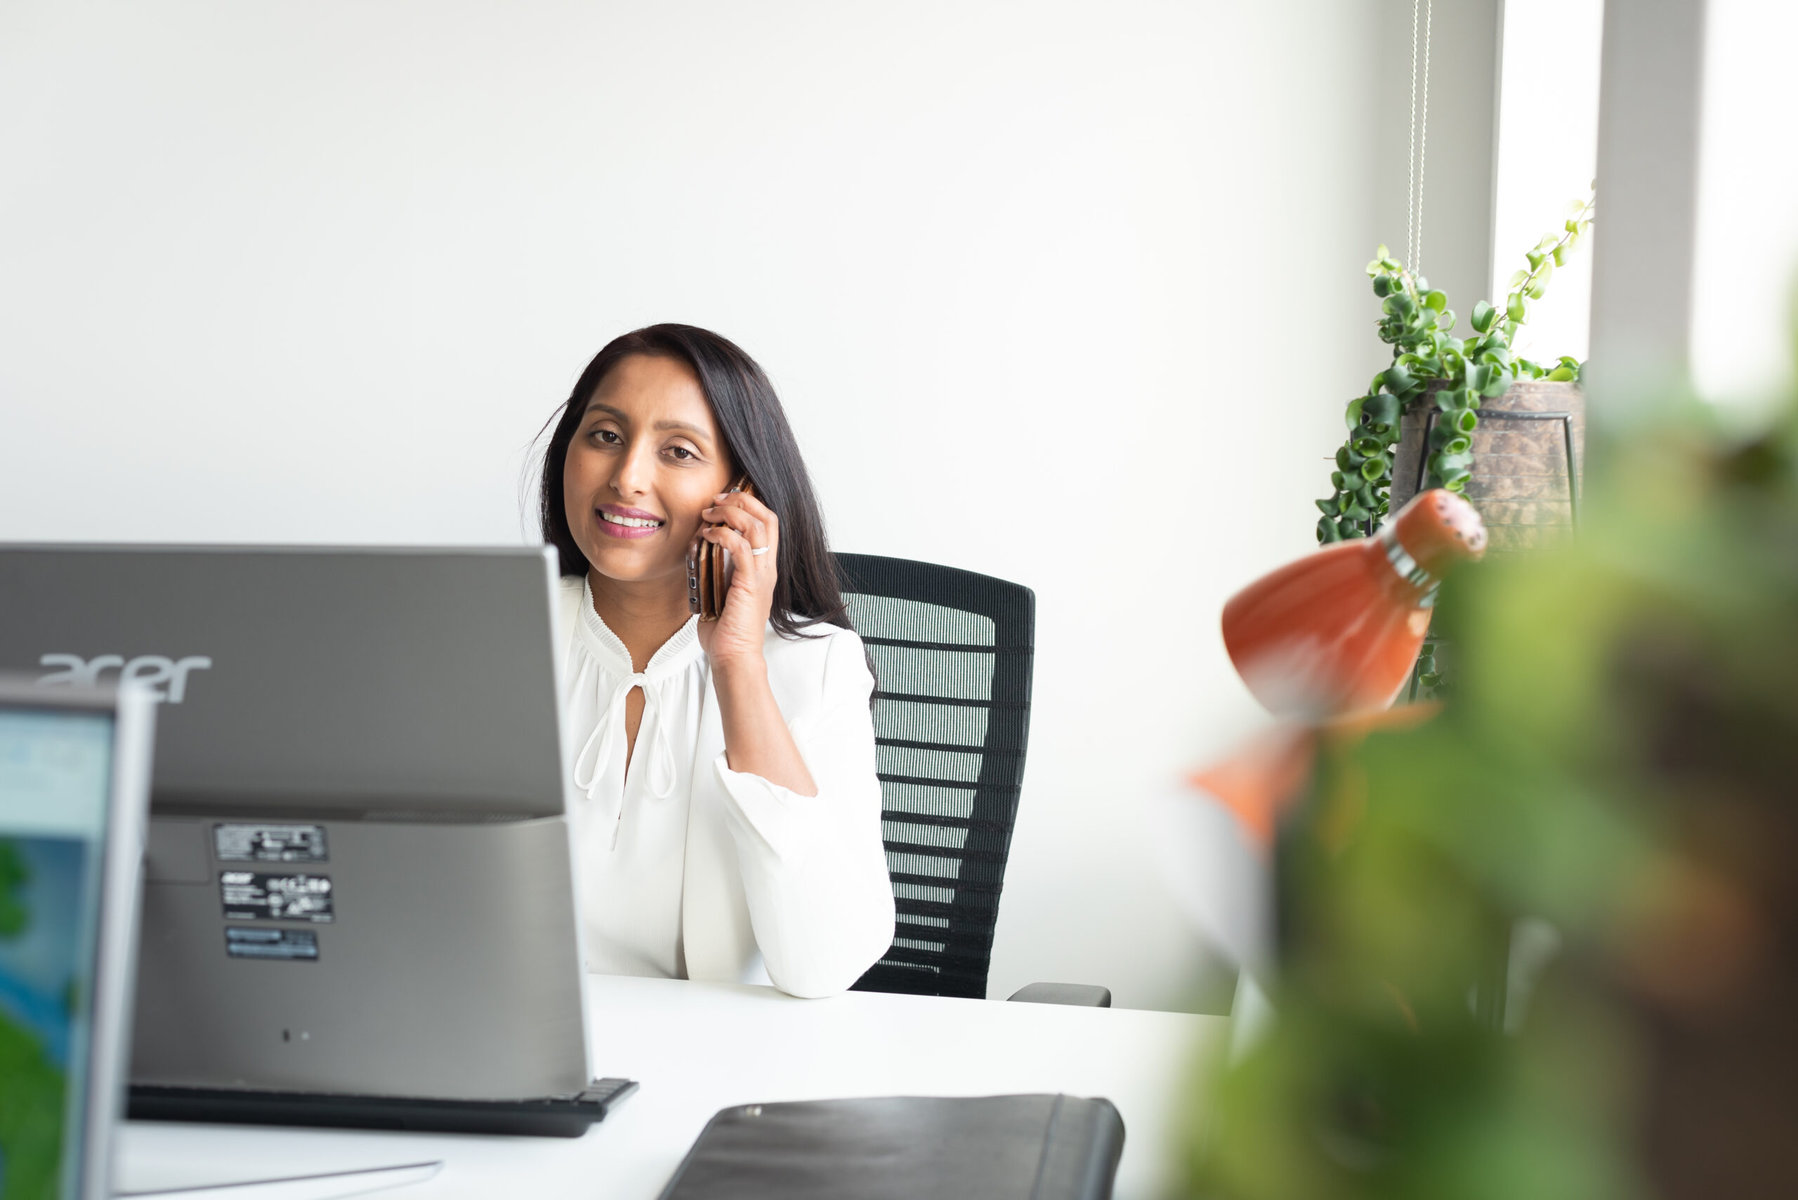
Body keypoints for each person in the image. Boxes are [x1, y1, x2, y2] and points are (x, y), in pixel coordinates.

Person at [535, 323, 895, 998]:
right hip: (516, 1056)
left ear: (741, 495)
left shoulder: (814, 669)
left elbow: (822, 967)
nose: (627, 477)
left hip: (722, 1071)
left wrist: (736, 663)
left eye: (678, 451)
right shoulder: (500, 632)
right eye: (605, 435)